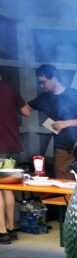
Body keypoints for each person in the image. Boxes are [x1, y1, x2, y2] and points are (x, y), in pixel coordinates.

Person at [26, 64, 77, 179]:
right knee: (62, 181)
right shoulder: (43, 98)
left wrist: (65, 123)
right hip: (60, 148)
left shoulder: (73, 94)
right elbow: (25, 109)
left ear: (54, 79)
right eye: (40, 83)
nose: (42, 86)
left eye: (44, 82)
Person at [0, 75, 30, 244]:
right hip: (11, 145)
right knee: (7, 188)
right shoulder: (9, 87)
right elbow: (26, 111)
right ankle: (11, 228)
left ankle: (2, 231)